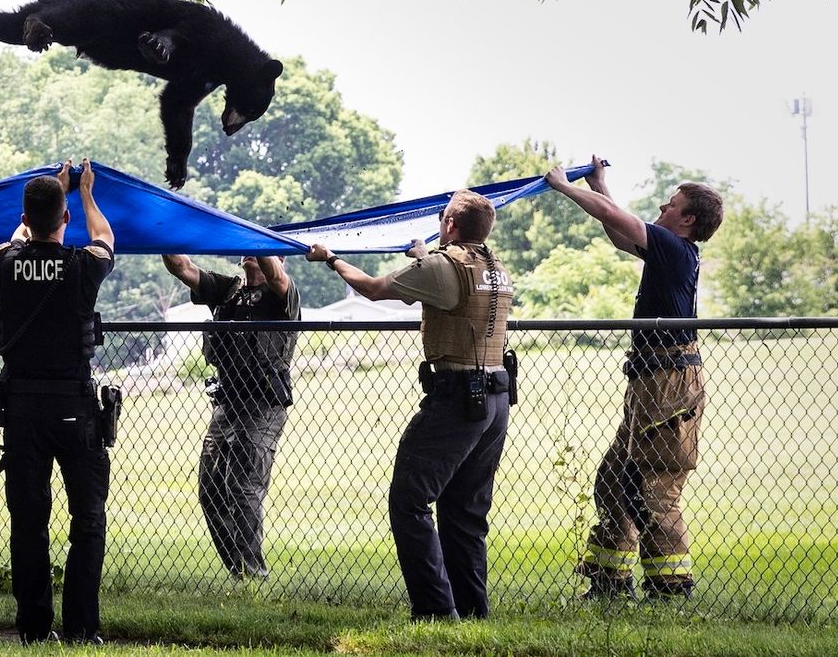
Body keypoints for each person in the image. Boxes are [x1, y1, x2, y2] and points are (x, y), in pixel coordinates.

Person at [307, 190, 515, 620]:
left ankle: (436, 610)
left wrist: (331, 258)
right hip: (495, 398)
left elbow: (372, 288)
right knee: (465, 511)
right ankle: (472, 609)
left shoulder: (441, 267)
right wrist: (425, 253)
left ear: (451, 225)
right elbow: (444, 278)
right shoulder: (493, 267)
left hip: (457, 398)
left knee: (410, 501)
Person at [546, 159, 722, 600]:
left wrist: (563, 188)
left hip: (668, 382)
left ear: (688, 219)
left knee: (651, 487)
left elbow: (612, 217)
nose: (664, 205)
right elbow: (619, 232)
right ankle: (611, 583)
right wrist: (600, 183)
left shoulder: (676, 249)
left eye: (673, 203)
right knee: (614, 479)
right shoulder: (667, 250)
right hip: (650, 379)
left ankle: (670, 589)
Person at [0, 159, 115, 644]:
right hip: (74, 412)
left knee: (28, 522)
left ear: (26, 216)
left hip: (21, 414)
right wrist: (85, 192)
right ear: (65, 219)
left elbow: (14, 240)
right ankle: (83, 628)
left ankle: (34, 630)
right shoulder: (83, 266)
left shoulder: (5, 263)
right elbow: (105, 237)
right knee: (87, 519)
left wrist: (56, 190)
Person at [160, 251, 298, 580]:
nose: (253, 252)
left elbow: (276, 276)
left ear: (281, 259)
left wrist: (256, 240)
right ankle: (239, 571)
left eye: (265, 250)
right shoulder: (228, 290)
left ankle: (253, 574)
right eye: (247, 246)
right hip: (226, 402)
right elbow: (182, 267)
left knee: (243, 486)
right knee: (210, 489)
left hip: (263, 404)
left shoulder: (284, 295)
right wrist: (165, 229)